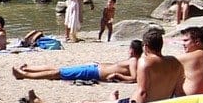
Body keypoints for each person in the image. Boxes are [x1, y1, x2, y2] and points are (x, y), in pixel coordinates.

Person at [25, 28, 182, 103]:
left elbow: (142, 92)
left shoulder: (145, 62)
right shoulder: (175, 62)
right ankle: (110, 101)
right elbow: (177, 91)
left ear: (146, 47)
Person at [10, 40, 142, 84]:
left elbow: (134, 78)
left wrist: (119, 76)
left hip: (94, 73)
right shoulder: (133, 60)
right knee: (59, 69)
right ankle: (29, 69)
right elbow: (116, 67)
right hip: (94, 68)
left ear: (132, 50)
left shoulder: (134, 61)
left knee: (58, 73)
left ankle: (23, 75)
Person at [176, 25, 203, 95]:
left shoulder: (186, 58)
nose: (183, 44)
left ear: (197, 42)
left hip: (192, 100)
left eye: (186, 41)